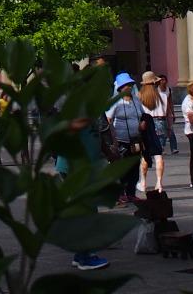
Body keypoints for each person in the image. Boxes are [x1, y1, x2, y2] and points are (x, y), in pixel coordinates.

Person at [53, 101, 110, 272]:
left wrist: (108, 153)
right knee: (87, 211)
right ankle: (86, 256)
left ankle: (81, 254)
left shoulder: (90, 107)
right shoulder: (80, 105)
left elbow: (95, 135)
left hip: (85, 167)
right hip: (76, 168)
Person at [104, 73, 147, 206]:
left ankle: (131, 193)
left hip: (135, 141)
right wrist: (112, 141)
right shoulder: (116, 102)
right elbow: (108, 120)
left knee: (134, 168)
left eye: (130, 85)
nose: (129, 87)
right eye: (126, 85)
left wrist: (142, 123)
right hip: (121, 141)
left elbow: (142, 114)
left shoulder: (135, 100)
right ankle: (120, 194)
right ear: (120, 88)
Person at [137, 70, 167, 194]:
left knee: (145, 155)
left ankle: (143, 182)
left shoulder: (139, 97)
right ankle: (159, 183)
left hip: (146, 125)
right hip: (160, 123)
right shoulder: (163, 96)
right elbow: (165, 112)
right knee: (159, 155)